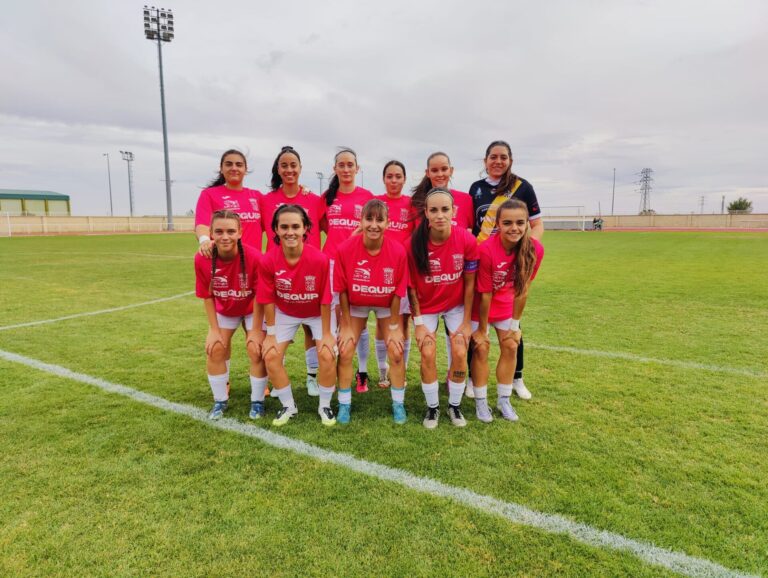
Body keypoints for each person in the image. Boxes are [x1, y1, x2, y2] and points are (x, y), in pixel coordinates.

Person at [469, 140, 543, 400]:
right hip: (482, 259)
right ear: (485, 160)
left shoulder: (522, 187)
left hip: (512, 259)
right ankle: (472, 377)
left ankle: (516, 378)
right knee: (477, 322)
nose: (498, 161)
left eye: (503, 157)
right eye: (493, 157)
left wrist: (525, 252)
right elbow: (472, 228)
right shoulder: (476, 188)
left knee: (513, 326)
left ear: (510, 160)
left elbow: (536, 225)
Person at [257, 205, 337, 427]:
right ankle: (288, 405)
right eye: (284, 227)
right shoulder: (268, 260)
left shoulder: (319, 259)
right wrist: (270, 334)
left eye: (295, 226)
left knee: (327, 354)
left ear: (306, 229)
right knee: (271, 355)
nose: (290, 232)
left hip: (316, 312)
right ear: (275, 229)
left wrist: (328, 334)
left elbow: (325, 299)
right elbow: (267, 299)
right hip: (286, 311)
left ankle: (325, 405)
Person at [407, 188, 478, 429]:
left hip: (455, 306)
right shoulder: (414, 244)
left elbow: (470, 284)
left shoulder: (466, 240)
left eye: (445, 209)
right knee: (427, 351)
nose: (440, 215)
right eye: (434, 210)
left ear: (454, 211)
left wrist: (467, 321)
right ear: (426, 213)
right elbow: (412, 288)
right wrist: (417, 324)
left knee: (459, 350)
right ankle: (433, 407)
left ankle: (454, 406)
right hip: (425, 306)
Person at [261, 146, 327, 398]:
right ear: (278, 169)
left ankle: (312, 378)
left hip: (310, 273)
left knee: (312, 330)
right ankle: (279, 379)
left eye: (293, 165)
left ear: (300, 168)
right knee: (278, 325)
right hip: (279, 273)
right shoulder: (265, 200)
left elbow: (331, 230)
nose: (289, 169)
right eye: (284, 165)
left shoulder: (315, 199)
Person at [335, 199, 409, 424]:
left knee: (396, 351)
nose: (374, 225)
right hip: (356, 304)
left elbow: (397, 292)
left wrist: (395, 327)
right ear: (361, 220)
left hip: (387, 305)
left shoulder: (397, 251)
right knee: (346, 350)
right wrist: (346, 325)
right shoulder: (345, 249)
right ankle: (344, 404)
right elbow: (342, 290)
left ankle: (398, 403)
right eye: (369, 219)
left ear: (388, 222)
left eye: (380, 220)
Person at [470, 199, 544, 422]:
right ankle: (481, 403)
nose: (515, 228)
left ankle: (504, 400)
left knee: (511, 345)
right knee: (481, 348)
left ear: (527, 225)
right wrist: (482, 330)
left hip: (505, 307)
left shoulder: (535, 250)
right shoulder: (486, 250)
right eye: (508, 223)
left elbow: (523, 291)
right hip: (479, 307)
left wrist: (514, 326)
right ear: (498, 225)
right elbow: (485, 294)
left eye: (520, 223)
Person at [194, 210, 267, 420]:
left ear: (240, 233)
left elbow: (259, 295)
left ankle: (257, 401)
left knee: (256, 348)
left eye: (230, 231)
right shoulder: (202, 258)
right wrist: (214, 330)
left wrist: (254, 330)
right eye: (219, 231)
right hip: (225, 309)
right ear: (211, 233)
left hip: (252, 308)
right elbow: (207, 295)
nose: (225, 236)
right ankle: (220, 401)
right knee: (215, 348)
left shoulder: (254, 257)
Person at [410, 152, 474, 381]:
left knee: (458, 345)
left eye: (444, 169)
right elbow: (414, 240)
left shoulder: (465, 199)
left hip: (454, 280)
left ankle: (454, 380)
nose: (440, 174)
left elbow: (472, 234)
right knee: (427, 349)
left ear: (451, 170)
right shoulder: (417, 201)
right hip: (428, 284)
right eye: (434, 170)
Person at [320, 148, 374, 393]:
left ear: (357, 168)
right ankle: (332, 368)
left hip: (359, 264)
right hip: (332, 263)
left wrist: (354, 239)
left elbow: (374, 227)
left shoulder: (367, 197)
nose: (345, 169)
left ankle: (362, 373)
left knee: (356, 321)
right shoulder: (326, 197)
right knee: (333, 318)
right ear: (335, 169)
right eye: (341, 165)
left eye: (350, 165)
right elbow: (323, 226)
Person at [377, 160, 413, 388]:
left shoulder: (412, 205)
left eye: (398, 176)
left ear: (404, 179)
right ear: (384, 179)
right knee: (383, 324)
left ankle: (401, 370)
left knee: (404, 323)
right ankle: (382, 372)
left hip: (405, 269)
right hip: (378, 271)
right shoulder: (376, 202)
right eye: (389, 176)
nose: (393, 180)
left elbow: (417, 234)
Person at [195, 149, 264, 256]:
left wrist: (299, 192)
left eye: (239, 164)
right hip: (223, 261)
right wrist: (204, 241)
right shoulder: (209, 194)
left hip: (253, 263)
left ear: (245, 169)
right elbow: (202, 224)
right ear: (221, 169)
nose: (234, 168)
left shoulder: (257, 196)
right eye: (228, 164)